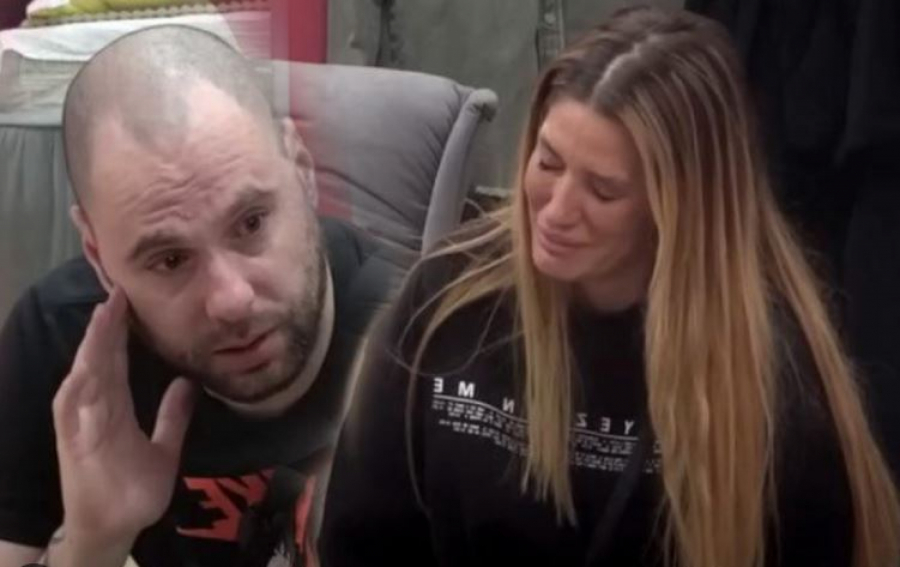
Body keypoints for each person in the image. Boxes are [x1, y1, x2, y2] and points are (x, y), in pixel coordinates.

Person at [319, 6, 900, 567]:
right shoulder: (446, 299)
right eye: (548, 163)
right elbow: (359, 537)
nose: (556, 212)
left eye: (603, 191)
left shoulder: (775, 376)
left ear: (676, 209)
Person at [0, 26, 394, 567]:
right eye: (170, 260)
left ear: (301, 170)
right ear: (98, 257)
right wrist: (93, 543)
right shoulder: (62, 346)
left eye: (251, 223)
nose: (232, 300)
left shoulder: (415, 333)